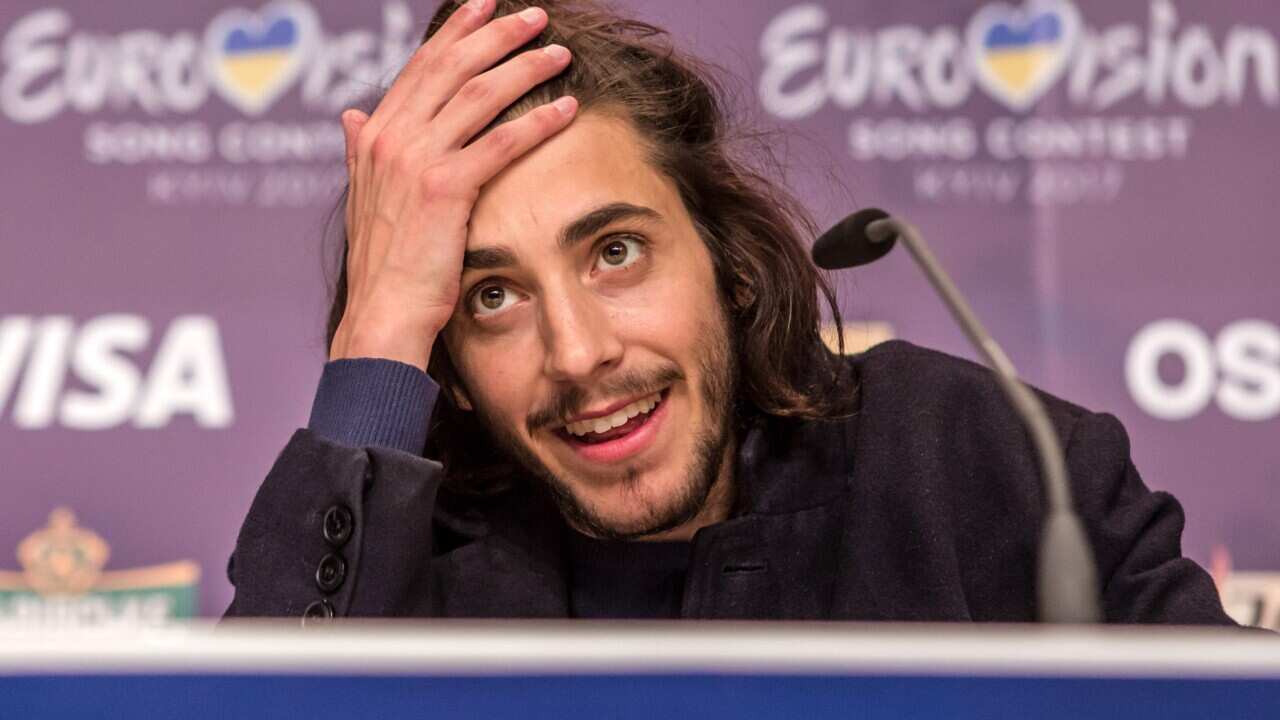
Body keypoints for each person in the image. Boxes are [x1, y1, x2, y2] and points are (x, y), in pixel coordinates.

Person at [224, 0, 1236, 624]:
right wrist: (380, 322)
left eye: (615, 252)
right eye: (491, 297)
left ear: (727, 259)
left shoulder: (986, 464)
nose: (577, 355)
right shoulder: (407, 560)